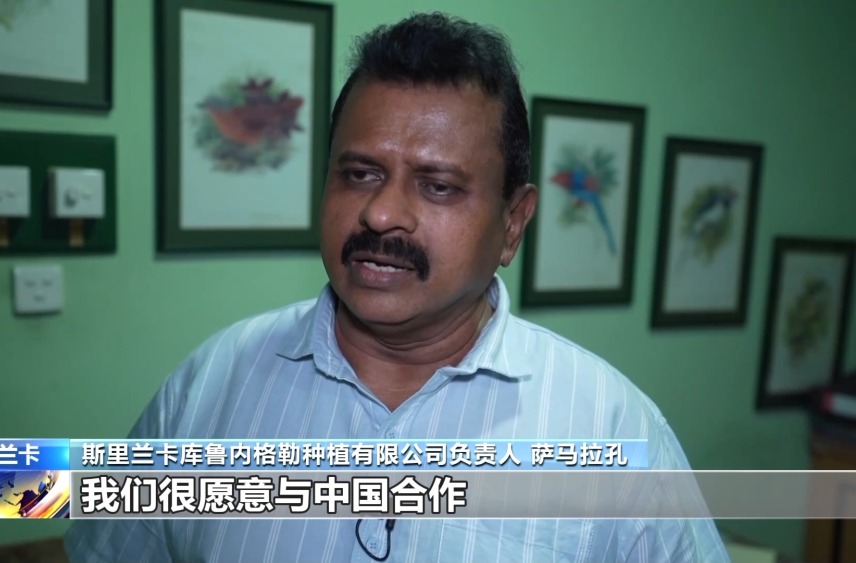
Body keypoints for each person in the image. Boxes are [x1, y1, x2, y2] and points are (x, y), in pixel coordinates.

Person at [66, 12, 729, 563]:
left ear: (512, 223)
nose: (382, 214)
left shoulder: (612, 432)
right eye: (359, 174)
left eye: (438, 186)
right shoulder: (210, 385)